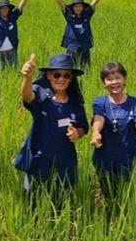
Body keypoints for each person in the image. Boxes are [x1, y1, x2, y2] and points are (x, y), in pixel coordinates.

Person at [14, 53, 88, 196]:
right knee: (33, 198)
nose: (61, 79)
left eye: (66, 76)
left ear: (71, 79)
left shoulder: (75, 102)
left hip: (65, 160)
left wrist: (77, 133)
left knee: (62, 198)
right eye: (57, 75)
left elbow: (84, 127)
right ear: (48, 75)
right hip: (40, 157)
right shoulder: (42, 95)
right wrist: (27, 77)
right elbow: (27, 96)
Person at [90, 62, 136, 200]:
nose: (114, 82)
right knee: (110, 194)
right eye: (109, 79)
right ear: (104, 82)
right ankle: (112, 216)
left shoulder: (135, 103)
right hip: (106, 158)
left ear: (125, 79)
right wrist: (95, 133)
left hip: (130, 156)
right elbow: (98, 118)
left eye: (117, 77)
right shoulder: (99, 102)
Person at [49, 0, 109, 69]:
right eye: (76, 6)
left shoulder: (86, 15)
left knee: (86, 69)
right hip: (72, 46)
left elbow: (94, 2)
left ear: (83, 7)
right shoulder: (69, 16)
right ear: (73, 8)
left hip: (84, 46)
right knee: (70, 68)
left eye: (80, 6)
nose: (78, 8)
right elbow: (61, 3)